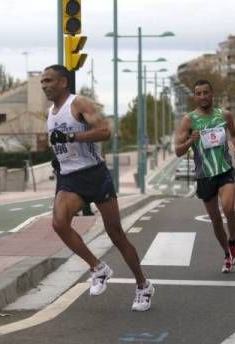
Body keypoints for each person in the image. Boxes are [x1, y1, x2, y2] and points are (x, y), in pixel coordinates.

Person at [41, 65, 154, 311]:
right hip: (70, 178)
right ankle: (98, 268)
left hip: (95, 175)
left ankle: (143, 285)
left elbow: (105, 132)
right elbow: (59, 143)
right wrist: (58, 156)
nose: (44, 85)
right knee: (59, 223)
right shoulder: (50, 112)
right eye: (42, 82)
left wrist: (71, 138)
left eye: (49, 80)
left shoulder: (79, 103)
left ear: (63, 82)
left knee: (115, 234)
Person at [175, 79, 235, 273]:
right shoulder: (189, 120)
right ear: (194, 97)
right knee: (215, 219)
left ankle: (232, 240)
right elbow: (178, 151)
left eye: (206, 92)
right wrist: (191, 140)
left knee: (228, 208)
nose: (203, 96)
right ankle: (227, 254)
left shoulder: (225, 115)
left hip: (224, 170)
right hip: (204, 175)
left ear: (212, 94)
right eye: (198, 93)